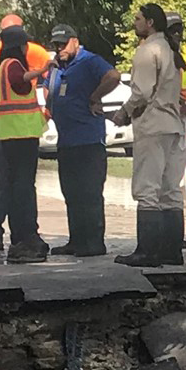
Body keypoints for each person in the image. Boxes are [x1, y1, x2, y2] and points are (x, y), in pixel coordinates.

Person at [116, 2, 186, 267]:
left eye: (138, 19)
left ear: (150, 23)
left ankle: (147, 251)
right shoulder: (170, 49)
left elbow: (142, 92)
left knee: (147, 189)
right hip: (172, 125)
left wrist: (124, 112)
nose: (134, 23)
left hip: (152, 124)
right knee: (170, 190)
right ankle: (172, 251)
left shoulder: (147, 51)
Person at [0, 23, 52, 264]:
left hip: (10, 135)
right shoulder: (13, 66)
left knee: (15, 187)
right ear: (21, 46)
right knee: (24, 188)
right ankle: (26, 237)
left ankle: (22, 237)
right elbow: (20, 79)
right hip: (20, 137)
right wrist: (42, 69)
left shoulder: (1, 66)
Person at [46, 24, 115, 257]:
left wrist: (95, 96)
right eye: (55, 45)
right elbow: (49, 92)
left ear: (75, 41)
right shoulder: (57, 67)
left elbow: (113, 76)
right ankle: (76, 240)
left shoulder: (88, 61)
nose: (59, 48)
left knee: (90, 193)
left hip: (88, 140)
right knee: (71, 192)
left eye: (63, 44)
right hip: (66, 141)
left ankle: (94, 242)